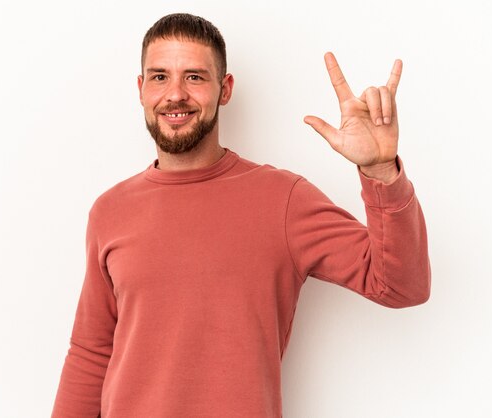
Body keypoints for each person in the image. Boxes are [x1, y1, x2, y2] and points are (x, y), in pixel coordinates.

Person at [52, 13, 431, 418]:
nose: (175, 94)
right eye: (160, 77)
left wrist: (380, 172)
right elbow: (92, 351)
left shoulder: (283, 199)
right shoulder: (111, 210)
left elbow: (401, 286)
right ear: (142, 89)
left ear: (225, 89)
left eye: (194, 77)